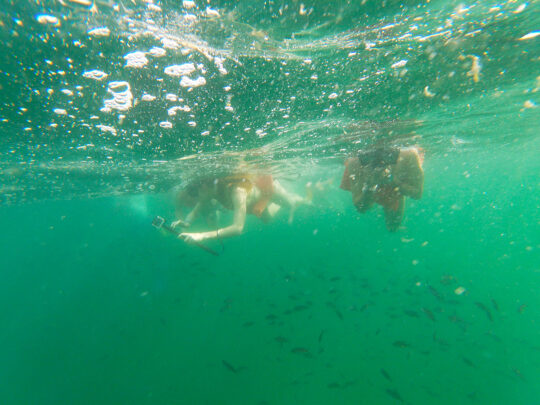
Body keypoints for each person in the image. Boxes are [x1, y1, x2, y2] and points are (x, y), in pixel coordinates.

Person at [172, 173, 309, 243]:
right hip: (253, 205)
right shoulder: (211, 192)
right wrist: (186, 223)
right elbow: (195, 212)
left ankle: (303, 199)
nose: (197, 198)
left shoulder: (237, 191)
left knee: (291, 204)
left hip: (268, 191)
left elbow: (238, 228)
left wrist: (201, 236)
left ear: (204, 187)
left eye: (197, 194)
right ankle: (284, 202)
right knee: (267, 219)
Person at [340, 146, 424, 232]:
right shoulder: (355, 162)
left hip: (396, 181)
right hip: (371, 180)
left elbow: (417, 194)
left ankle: (393, 200)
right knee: (393, 224)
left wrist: (393, 181)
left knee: (393, 225)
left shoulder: (408, 154)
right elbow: (361, 207)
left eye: (388, 155)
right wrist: (371, 186)